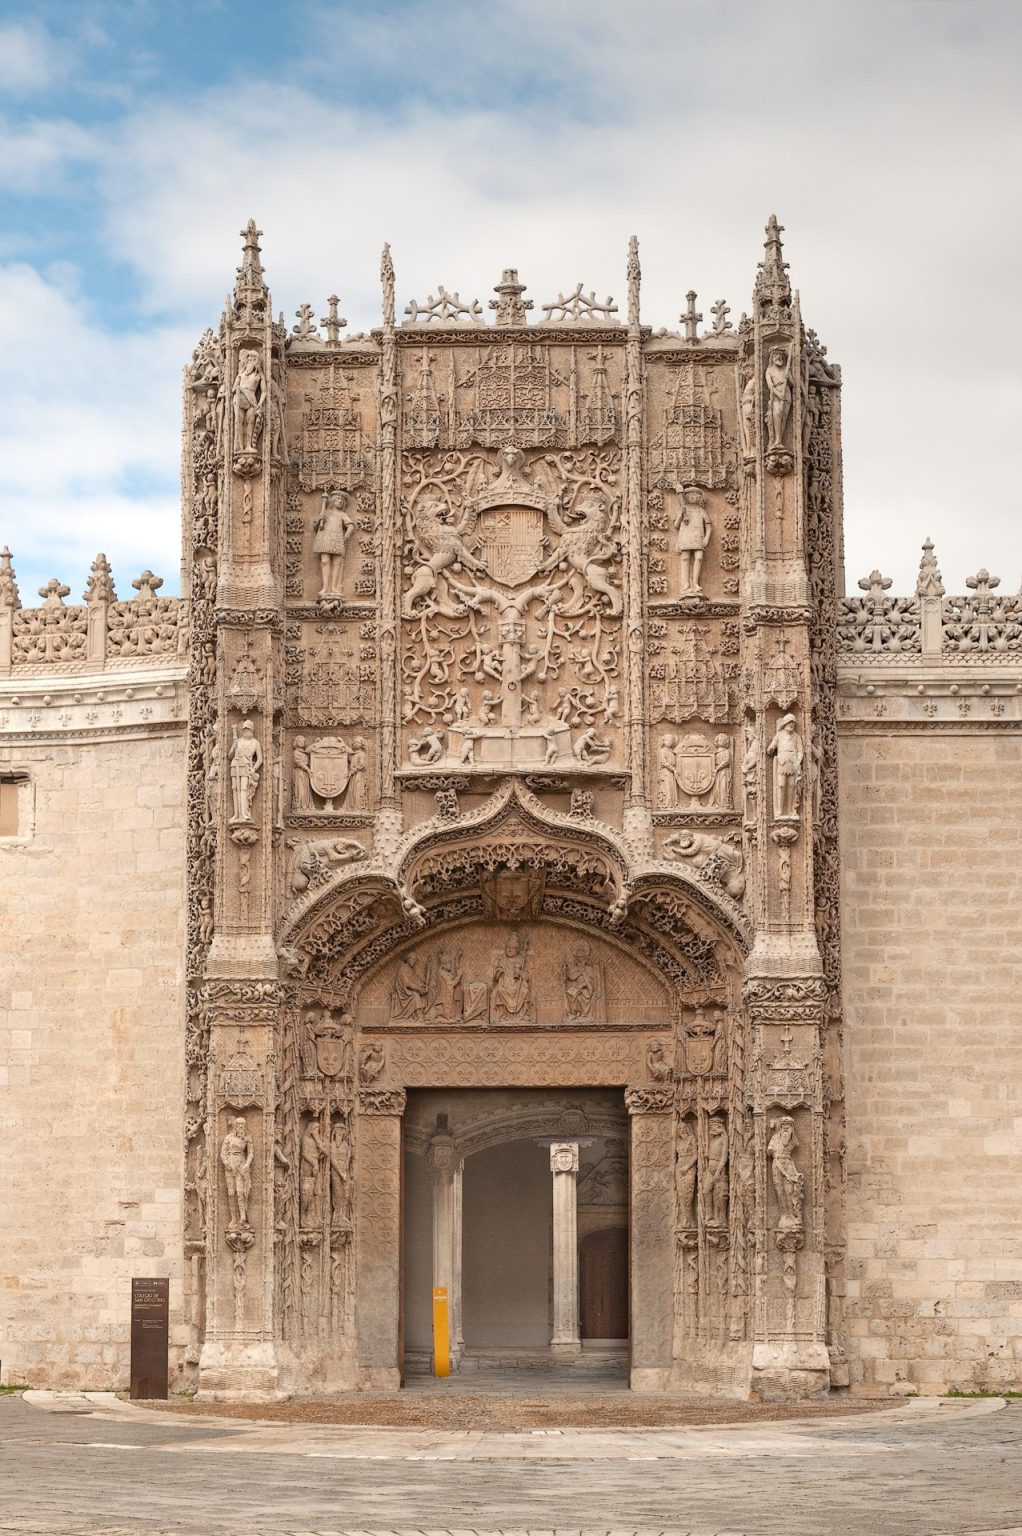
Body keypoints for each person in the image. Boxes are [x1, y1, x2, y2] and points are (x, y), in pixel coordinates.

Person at [313, 490, 355, 600]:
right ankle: (325, 587)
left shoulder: (342, 514)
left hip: (337, 539)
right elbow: (315, 526)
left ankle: (333, 587)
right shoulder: (325, 513)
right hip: (325, 538)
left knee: (337, 563)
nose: (340, 501)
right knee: (324, 561)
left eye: (342, 500)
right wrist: (320, 518)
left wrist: (346, 537)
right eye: (338, 499)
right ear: (332, 500)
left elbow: (350, 526)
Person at [673, 487, 712, 595]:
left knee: (699, 558)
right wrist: (681, 515)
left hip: (698, 537)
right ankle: (685, 585)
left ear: (699, 497)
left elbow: (708, 525)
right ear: (686, 497)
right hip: (686, 536)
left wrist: (707, 538)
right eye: (690, 495)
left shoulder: (701, 510)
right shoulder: (683, 509)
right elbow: (676, 525)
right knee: (685, 558)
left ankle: (695, 583)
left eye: (695, 495)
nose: (692, 497)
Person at [490, 930, 534, 1023]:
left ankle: (522, 1015)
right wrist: (500, 973)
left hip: (518, 984)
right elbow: (496, 978)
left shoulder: (522, 960)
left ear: (517, 950)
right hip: (505, 984)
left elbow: (527, 977)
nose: (509, 950)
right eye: (508, 948)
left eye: (512, 948)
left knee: (524, 990)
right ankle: (503, 1015)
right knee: (500, 990)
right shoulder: (502, 960)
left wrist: (520, 972)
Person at [220, 1116, 254, 1228]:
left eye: (243, 1125)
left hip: (241, 1165)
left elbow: (250, 1153)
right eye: (239, 1124)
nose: (241, 1127)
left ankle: (243, 1217)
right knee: (231, 1193)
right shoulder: (228, 1138)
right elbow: (223, 1152)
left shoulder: (247, 1138)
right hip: (230, 1166)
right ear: (235, 1126)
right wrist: (226, 1163)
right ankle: (233, 1218)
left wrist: (246, 1165)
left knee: (240, 1191)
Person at [229, 720, 262, 824]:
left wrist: (254, 769)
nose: (246, 731)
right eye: (245, 729)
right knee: (235, 789)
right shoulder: (237, 741)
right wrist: (233, 748)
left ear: (252, 730)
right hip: (235, 765)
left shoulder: (255, 743)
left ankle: (244, 814)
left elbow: (260, 759)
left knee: (244, 788)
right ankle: (236, 814)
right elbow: (229, 756)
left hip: (246, 767)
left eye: (248, 729)